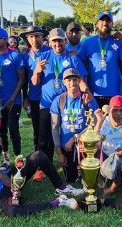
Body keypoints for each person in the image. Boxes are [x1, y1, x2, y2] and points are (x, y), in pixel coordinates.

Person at [31, 28, 88, 180]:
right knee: (44, 138)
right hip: (47, 104)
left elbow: (81, 81)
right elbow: (34, 83)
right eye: (54, 41)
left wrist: (87, 94)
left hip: (66, 105)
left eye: (60, 40)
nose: (58, 44)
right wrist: (37, 71)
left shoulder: (72, 58)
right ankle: (42, 168)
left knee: (66, 133)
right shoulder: (43, 57)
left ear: (65, 41)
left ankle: (71, 163)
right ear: (49, 42)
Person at [51, 68, 99, 183]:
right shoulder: (59, 100)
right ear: (64, 82)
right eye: (69, 80)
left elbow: (96, 123)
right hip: (66, 147)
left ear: (79, 81)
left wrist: (74, 138)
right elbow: (54, 128)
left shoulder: (87, 98)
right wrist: (59, 153)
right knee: (70, 179)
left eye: (75, 79)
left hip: (85, 145)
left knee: (89, 176)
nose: (72, 83)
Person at [0, 27, 25, 170]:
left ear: (5, 40)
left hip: (13, 100)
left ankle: (18, 158)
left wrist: (12, 98)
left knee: (14, 130)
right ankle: (6, 159)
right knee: (2, 131)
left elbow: (21, 79)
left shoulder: (15, 55)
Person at [79, 11, 122, 108]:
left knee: (113, 122)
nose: (105, 23)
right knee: (95, 122)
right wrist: (84, 88)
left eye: (108, 21)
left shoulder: (119, 42)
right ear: (97, 23)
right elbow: (80, 66)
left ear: (112, 24)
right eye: (102, 20)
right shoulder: (87, 43)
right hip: (93, 93)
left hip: (115, 93)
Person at [20, 26, 50, 153]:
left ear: (42, 37)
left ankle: (48, 158)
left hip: (50, 98)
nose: (34, 39)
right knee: (37, 131)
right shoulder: (25, 56)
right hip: (34, 98)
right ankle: (38, 158)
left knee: (50, 130)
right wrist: (25, 98)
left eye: (37, 36)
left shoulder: (51, 51)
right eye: (31, 36)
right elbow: (24, 80)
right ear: (27, 38)